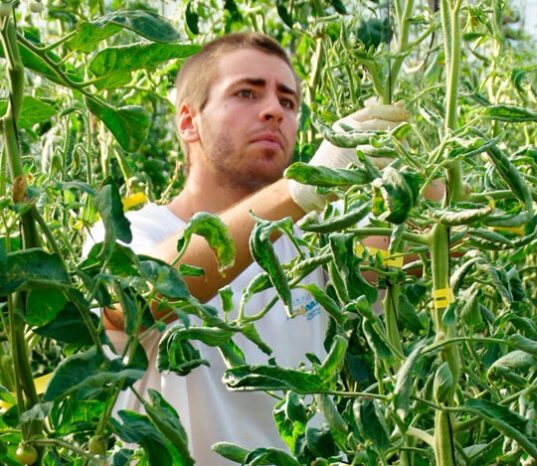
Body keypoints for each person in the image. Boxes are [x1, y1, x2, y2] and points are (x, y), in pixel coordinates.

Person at [82, 32, 408, 464]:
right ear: (187, 121)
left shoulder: (317, 241)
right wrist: (304, 188)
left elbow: (430, 251)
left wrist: (414, 172)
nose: (274, 110)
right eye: (246, 93)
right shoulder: (131, 232)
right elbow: (134, 298)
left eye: (288, 102)